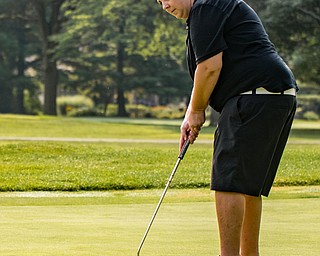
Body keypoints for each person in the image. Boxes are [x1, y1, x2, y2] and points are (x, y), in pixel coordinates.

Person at [157, 0, 298, 255]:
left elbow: (210, 67)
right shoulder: (211, 7)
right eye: (158, 1)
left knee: (228, 182)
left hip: (252, 98)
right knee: (247, 184)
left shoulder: (205, 7)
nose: (165, 5)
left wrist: (196, 111)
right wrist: (194, 110)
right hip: (275, 96)